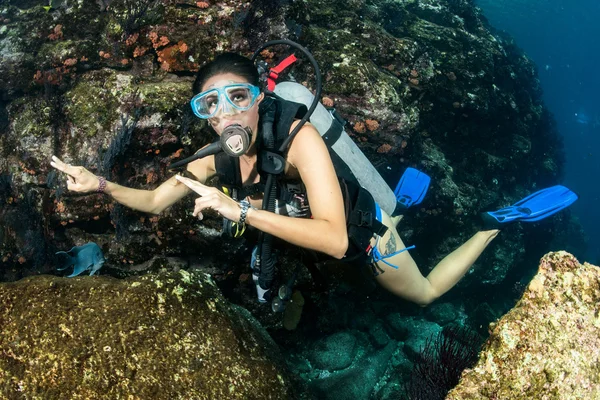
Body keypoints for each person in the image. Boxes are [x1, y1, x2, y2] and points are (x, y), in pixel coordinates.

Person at [50, 52, 577, 307]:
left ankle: (493, 224)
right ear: (204, 116)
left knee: (424, 294)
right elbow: (154, 200)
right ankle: (400, 203)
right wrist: (99, 184)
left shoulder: (301, 140)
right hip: (305, 215)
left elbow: (334, 237)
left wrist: (240, 212)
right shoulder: (215, 160)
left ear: (259, 100)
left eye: (239, 96)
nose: (226, 111)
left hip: (359, 231)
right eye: (210, 103)